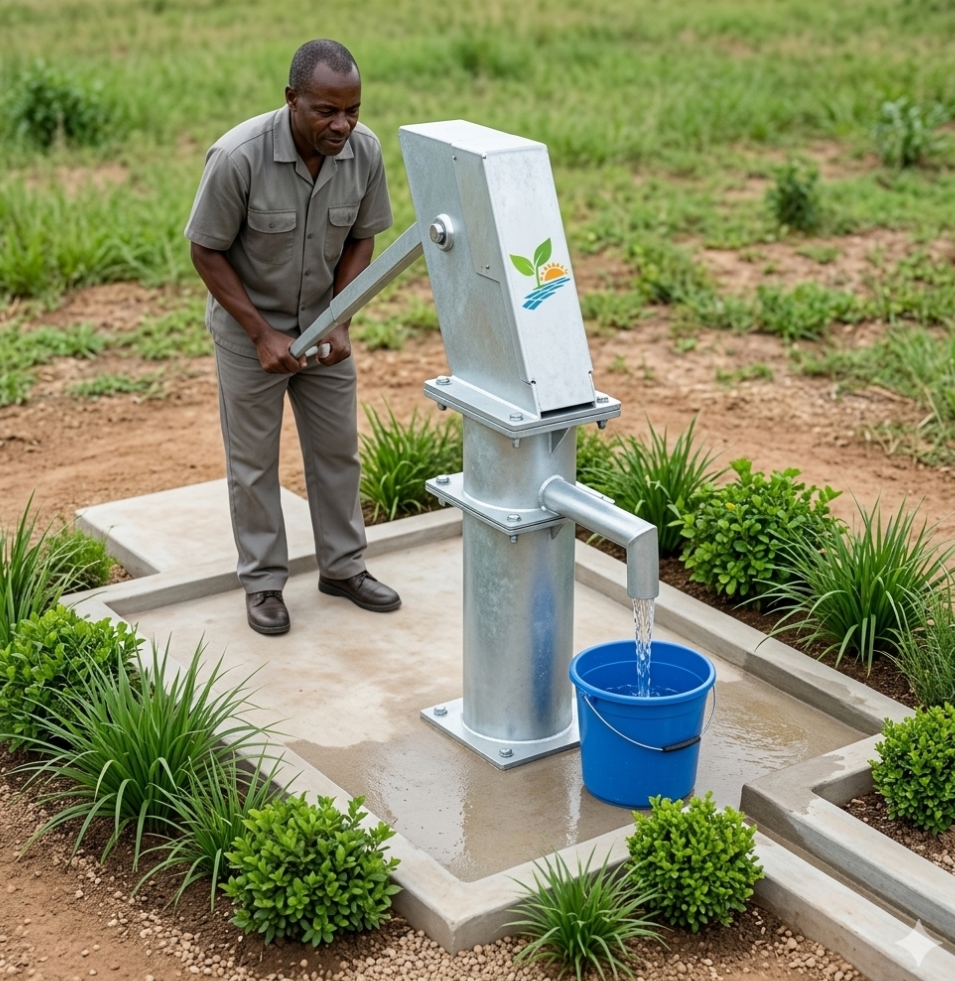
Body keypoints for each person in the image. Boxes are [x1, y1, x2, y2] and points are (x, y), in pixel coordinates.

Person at [184, 38, 401, 635]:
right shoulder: (238, 157)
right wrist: (259, 333)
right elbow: (205, 248)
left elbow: (363, 236)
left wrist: (340, 315)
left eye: (352, 109)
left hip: (323, 329)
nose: (343, 124)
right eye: (327, 111)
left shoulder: (365, 152)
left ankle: (344, 568)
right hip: (248, 332)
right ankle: (263, 584)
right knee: (253, 463)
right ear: (291, 100)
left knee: (337, 452)